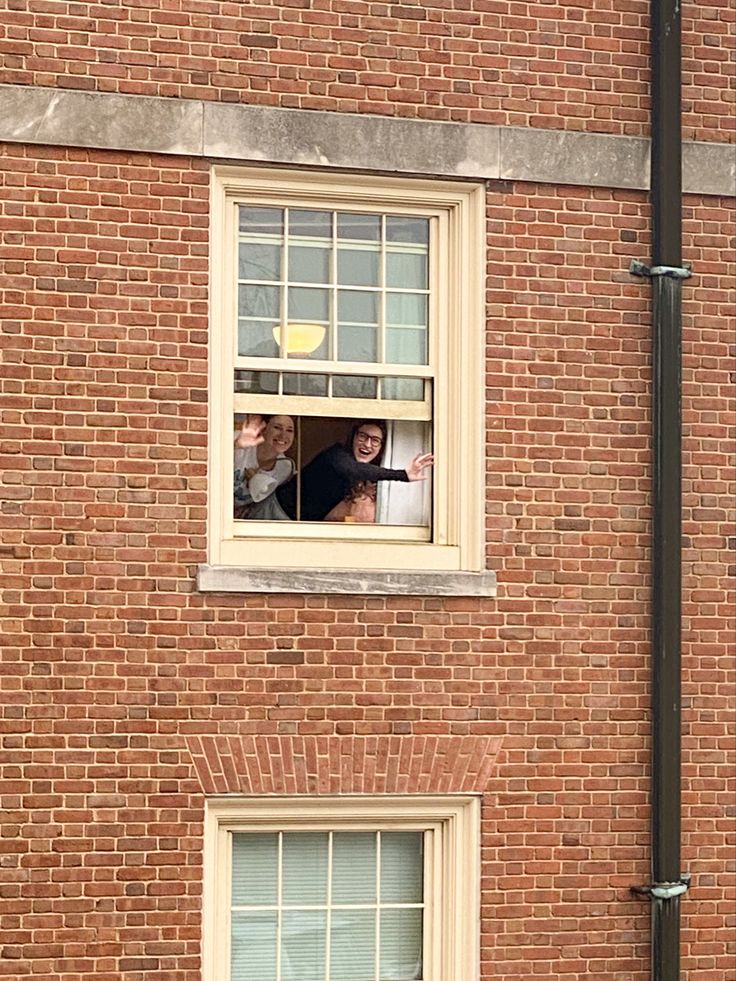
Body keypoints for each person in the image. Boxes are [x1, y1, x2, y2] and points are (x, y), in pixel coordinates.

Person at [247, 419, 433, 522]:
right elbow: (355, 470)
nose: (367, 444)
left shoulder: (365, 476)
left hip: (297, 525)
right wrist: (403, 475)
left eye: (375, 440)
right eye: (362, 436)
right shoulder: (336, 456)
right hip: (274, 511)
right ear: (353, 438)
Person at [233, 414, 295, 518]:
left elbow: (263, 498)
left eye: (289, 430)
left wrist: (246, 509)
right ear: (264, 429)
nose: (283, 436)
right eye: (277, 428)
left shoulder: (285, 468)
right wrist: (236, 445)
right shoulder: (240, 439)